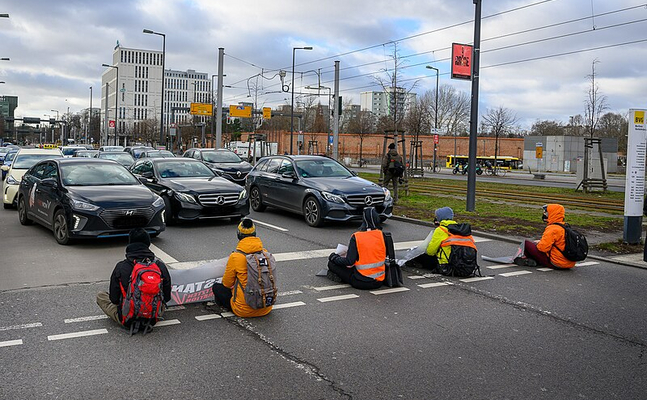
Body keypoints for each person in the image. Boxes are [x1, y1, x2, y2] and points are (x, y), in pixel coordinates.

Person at [96, 228, 172, 327]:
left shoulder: (121, 266)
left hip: (127, 319)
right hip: (154, 317)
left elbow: (114, 299)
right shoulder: (159, 265)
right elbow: (166, 298)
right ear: (148, 244)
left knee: (101, 295)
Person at [211, 218, 273, 317]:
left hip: (243, 310)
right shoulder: (265, 254)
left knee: (217, 287)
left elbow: (227, 283)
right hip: (266, 307)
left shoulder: (236, 256)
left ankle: (225, 307)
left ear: (239, 235)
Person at [326, 207, 386, 290]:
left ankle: (339, 275)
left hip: (361, 282)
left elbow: (349, 261)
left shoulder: (357, 236)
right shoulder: (382, 235)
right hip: (379, 281)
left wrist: (334, 257)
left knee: (332, 264)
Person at [513, 204, 576, 269]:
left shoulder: (552, 229)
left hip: (557, 263)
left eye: (546, 212)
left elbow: (542, 248)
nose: (544, 214)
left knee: (526, 244)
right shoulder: (565, 226)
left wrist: (538, 243)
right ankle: (531, 260)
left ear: (552, 214)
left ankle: (527, 259)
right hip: (569, 263)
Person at [407, 207, 459, 272]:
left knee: (420, 256)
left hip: (445, 264)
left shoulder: (441, 230)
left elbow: (430, 251)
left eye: (437, 217)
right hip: (460, 263)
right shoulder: (459, 229)